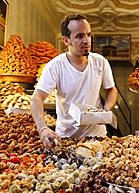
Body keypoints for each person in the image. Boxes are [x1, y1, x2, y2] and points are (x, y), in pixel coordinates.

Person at [31, 14, 118, 149]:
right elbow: (37, 98)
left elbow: (111, 90)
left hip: (97, 137)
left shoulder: (100, 62)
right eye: (79, 36)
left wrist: (105, 111)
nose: (86, 40)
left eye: (88, 35)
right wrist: (43, 129)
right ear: (66, 40)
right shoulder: (55, 66)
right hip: (66, 137)